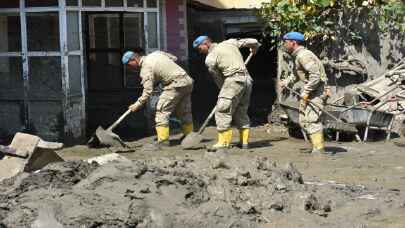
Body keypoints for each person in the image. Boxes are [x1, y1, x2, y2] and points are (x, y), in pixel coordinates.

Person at [193, 35, 260, 150]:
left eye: (199, 48)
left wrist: (223, 92)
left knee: (222, 110)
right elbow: (253, 41)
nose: (200, 52)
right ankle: (244, 142)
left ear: (206, 43)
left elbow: (218, 79)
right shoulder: (230, 42)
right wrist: (255, 47)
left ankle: (223, 142)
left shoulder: (210, 59)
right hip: (247, 80)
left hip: (233, 81)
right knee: (241, 111)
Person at [122, 48, 194, 148]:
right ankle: (189, 136)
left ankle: (163, 140)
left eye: (129, 65)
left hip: (174, 84)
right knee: (184, 111)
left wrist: (137, 105)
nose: (130, 68)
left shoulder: (145, 68)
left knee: (161, 111)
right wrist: (161, 74)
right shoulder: (156, 54)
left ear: (134, 60)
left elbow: (147, 92)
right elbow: (174, 58)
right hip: (187, 81)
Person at [279, 32, 329, 154]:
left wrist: (306, 92)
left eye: (285, 42)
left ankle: (319, 150)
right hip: (311, 91)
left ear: (293, 43)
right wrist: (287, 82)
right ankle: (316, 146)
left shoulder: (303, 56)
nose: (284, 45)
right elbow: (297, 74)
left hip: (316, 92)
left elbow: (315, 76)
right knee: (303, 120)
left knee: (312, 120)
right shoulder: (298, 56)